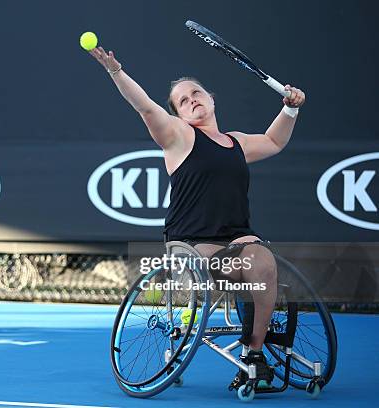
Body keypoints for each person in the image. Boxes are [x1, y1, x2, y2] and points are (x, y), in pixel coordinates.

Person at [88, 46, 305, 388]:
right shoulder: (179, 137)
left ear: (211, 99)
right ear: (178, 114)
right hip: (191, 243)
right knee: (236, 271)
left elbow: (274, 141)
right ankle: (231, 323)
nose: (191, 100)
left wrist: (289, 110)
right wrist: (116, 71)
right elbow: (145, 106)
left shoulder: (237, 143)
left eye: (196, 93)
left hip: (237, 237)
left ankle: (253, 356)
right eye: (182, 101)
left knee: (262, 264)